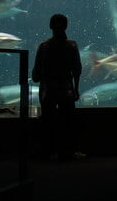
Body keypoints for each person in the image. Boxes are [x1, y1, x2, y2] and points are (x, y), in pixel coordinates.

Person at [32, 13, 84, 161]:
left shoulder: (44, 46)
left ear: (50, 26)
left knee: (48, 121)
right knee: (68, 122)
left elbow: (36, 74)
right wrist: (76, 89)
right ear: (66, 26)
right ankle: (68, 152)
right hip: (66, 89)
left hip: (47, 90)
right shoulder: (72, 45)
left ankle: (49, 151)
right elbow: (77, 69)